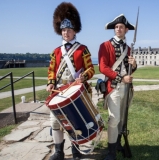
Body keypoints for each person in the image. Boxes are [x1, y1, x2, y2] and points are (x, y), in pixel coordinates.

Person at [46, 2, 95, 160]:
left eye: (68, 30)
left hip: (75, 92)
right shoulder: (56, 51)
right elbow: (52, 70)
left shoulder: (83, 49)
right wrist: (50, 82)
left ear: (75, 31)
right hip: (59, 92)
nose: (66, 33)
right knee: (55, 122)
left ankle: (75, 151)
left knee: (75, 122)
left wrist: (84, 77)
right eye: (63, 30)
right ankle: (59, 152)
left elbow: (91, 69)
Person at [98, 14, 137, 160]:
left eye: (121, 27)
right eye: (116, 27)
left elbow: (129, 70)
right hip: (113, 86)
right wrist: (121, 78)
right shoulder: (105, 46)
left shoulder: (128, 48)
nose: (118, 29)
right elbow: (103, 67)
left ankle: (118, 143)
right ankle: (111, 152)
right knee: (114, 119)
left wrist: (134, 65)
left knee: (122, 119)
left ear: (126, 30)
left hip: (126, 88)